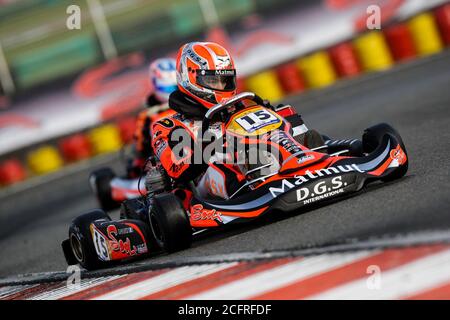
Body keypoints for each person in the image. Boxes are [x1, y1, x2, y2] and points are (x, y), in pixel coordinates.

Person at [150, 42, 361, 198]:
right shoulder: (170, 125)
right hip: (209, 186)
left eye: (226, 79)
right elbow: (178, 169)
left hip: (268, 158)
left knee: (293, 126)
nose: (222, 86)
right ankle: (258, 178)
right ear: (190, 78)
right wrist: (209, 143)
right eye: (214, 80)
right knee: (226, 166)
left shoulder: (242, 105)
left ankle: (313, 156)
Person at [127, 57, 177, 177]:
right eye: (168, 88)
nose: (172, 92)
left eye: (175, 87)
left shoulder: (190, 102)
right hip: (162, 159)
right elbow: (141, 148)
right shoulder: (147, 115)